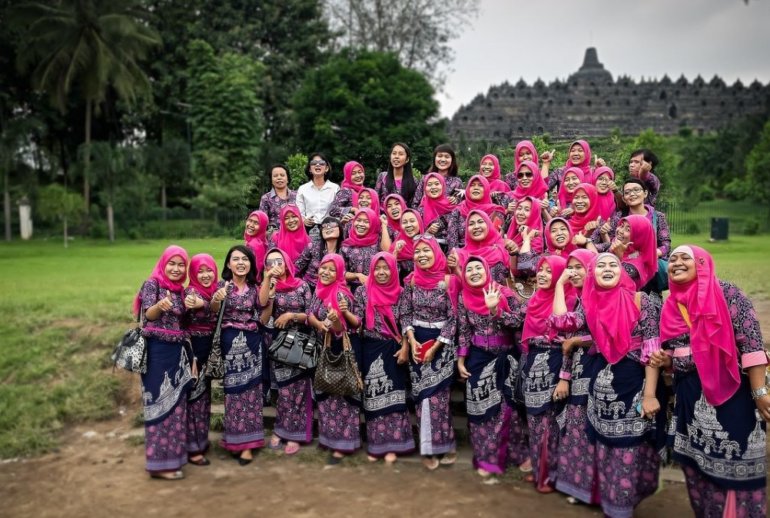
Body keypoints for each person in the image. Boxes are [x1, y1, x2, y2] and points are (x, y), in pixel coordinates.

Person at [651, 246, 768, 518]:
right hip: (691, 397)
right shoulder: (671, 305)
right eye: (673, 259)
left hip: (732, 394)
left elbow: (751, 343)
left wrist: (760, 391)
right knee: (697, 464)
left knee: (735, 463)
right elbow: (676, 352)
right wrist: (665, 359)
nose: (677, 263)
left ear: (702, 263)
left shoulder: (727, 293)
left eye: (686, 258)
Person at [581, 252, 666, 518]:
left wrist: (649, 394)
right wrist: (561, 284)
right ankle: (611, 505)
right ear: (591, 274)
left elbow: (652, 348)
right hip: (601, 389)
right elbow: (562, 322)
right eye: (600, 265)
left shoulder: (642, 300)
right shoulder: (589, 302)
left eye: (613, 265)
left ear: (622, 272)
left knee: (629, 450)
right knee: (604, 450)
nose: (607, 269)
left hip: (633, 387)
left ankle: (621, 509)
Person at [456, 256, 526, 483]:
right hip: (478, 358)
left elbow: (519, 321)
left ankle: (516, 455)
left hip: (505, 357)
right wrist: (461, 359)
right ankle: (487, 458)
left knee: (507, 410)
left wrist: (496, 310)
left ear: (487, 270)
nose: (474, 272)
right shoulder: (463, 297)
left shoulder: (504, 293)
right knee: (480, 410)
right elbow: (464, 330)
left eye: (479, 267)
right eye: (469, 269)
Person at [134, 245, 194, 480]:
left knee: (176, 407)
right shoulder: (152, 285)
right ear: (163, 264)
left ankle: (174, 459)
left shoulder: (181, 292)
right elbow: (148, 315)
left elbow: (185, 322)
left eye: (181, 265)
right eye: (172, 263)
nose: (176, 269)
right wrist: (159, 306)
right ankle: (159, 464)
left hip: (177, 353)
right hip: (156, 353)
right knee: (158, 405)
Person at [400, 236, 458, 470]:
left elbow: (454, 317)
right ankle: (427, 448)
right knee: (422, 397)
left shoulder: (448, 281)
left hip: (442, 344)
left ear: (436, 253)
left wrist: (435, 347)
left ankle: (446, 443)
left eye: (427, 251)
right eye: (417, 252)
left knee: (439, 398)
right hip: (418, 341)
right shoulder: (412, 280)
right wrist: (412, 340)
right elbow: (405, 313)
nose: (422, 255)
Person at [520, 255, 575, 493]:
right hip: (534, 363)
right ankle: (539, 470)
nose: (542, 274)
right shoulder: (535, 299)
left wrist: (564, 377)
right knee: (535, 422)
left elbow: (568, 342)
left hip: (554, 361)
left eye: (549, 271)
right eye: (540, 270)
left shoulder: (569, 299)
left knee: (550, 422)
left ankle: (550, 475)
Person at [549, 249, 600, 505]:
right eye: (570, 268)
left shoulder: (601, 297)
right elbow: (563, 327)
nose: (573, 272)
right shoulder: (580, 301)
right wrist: (564, 378)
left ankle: (597, 491)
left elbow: (610, 335)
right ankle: (580, 487)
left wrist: (578, 340)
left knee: (595, 430)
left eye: (579, 267)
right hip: (580, 372)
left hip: (601, 373)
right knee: (577, 430)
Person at [353, 253, 414, 463]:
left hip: (394, 349)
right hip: (370, 349)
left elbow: (406, 321)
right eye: (377, 268)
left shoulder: (401, 293)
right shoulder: (362, 292)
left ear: (393, 270)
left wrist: (405, 347)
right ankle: (377, 445)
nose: (381, 272)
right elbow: (357, 321)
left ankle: (394, 445)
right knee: (373, 398)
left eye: (385, 268)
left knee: (394, 397)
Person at [210, 245, 267, 465]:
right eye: (236, 259)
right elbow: (213, 311)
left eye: (245, 259)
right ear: (228, 264)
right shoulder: (222, 286)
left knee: (251, 394)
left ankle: (249, 445)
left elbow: (263, 307)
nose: (241, 263)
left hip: (252, 344)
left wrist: (269, 281)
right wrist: (217, 299)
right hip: (229, 343)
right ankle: (234, 440)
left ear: (251, 264)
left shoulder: (255, 288)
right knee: (232, 394)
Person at [308, 253, 362, 464]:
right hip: (325, 346)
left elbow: (343, 329)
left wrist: (334, 321)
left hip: (341, 348)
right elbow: (310, 313)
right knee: (326, 393)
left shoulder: (341, 294)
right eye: (323, 268)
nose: (326, 272)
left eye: (332, 270)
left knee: (342, 396)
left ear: (339, 273)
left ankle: (343, 444)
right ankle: (329, 439)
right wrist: (319, 324)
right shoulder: (319, 290)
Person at [259, 248, 313, 455]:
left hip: (300, 342)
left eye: (279, 261)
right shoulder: (267, 286)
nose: (275, 266)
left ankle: (295, 434)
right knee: (283, 391)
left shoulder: (301, 285)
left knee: (299, 390)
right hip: (278, 343)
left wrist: (291, 315)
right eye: (270, 263)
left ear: (287, 262)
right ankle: (280, 429)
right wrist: (270, 289)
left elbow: (311, 315)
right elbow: (263, 316)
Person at [183, 253, 219, 467]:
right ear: (193, 274)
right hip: (194, 352)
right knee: (194, 399)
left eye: (209, 270)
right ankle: (193, 449)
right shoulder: (190, 293)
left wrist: (204, 303)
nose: (205, 275)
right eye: (200, 271)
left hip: (210, 351)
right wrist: (192, 358)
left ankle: (201, 442)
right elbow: (183, 322)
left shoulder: (217, 290)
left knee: (204, 400)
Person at [598, 179, 671, 266]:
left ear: (645, 193)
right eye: (627, 192)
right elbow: (610, 244)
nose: (632, 194)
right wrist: (604, 234)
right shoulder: (619, 216)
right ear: (624, 198)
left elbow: (666, 246)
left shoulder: (657, 217)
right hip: (623, 263)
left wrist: (645, 256)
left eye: (636, 190)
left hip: (650, 264)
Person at [451, 209, 516, 285]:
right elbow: (459, 285)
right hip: (470, 293)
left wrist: (514, 254)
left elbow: (515, 273)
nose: (476, 227)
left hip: (500, 292)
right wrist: (455, 269)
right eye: (471, 224)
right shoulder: (459, 255)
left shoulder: (503, 247)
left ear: (488, 225)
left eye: (480, 222)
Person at [448, 175, 506, 251]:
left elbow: (496, 239)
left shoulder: (496, 211)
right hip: (462, 253)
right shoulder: (458, 210)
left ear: (486, 189)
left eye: (480, 185)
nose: (476, 188)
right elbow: (452, 239)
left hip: (489, 253)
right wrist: (457, 255)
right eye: (472, 185)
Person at [340, 207, 390, 289]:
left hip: (378, 288)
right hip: (355, 289)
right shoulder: (346, 246)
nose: (361, 224)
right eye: (358, 220)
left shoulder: (378, 240)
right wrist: (357, 275)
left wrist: (384, 225)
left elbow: (387, 253)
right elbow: (340, 272)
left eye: (366, 222)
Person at [607, 214, 658, 291]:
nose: (620, 231)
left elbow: (610, 279)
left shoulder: (638, 263)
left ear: (638, 236)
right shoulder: (618, 247)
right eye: (621, 226)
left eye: (628, 230)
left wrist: (618, 257)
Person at [296, 153, 339, 241]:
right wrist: (304, 220)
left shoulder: (335, 188)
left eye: (321, 163)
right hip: (309, 230)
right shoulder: (302, 189)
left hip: (330, 229)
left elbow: (338, 211)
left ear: (326, 168)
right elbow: (299, 212)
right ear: (310, 169)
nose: (318, 165)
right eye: (314, 163)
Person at [417, 172, 455, 250]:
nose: (433, 187)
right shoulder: (420, 210)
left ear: (443, 186)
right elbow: (416, 235)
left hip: (451, 250)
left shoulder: (452, 205)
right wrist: (428, 232)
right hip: (428, 249)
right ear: (425, 188)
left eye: (437, 184)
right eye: (429, 184)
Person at [258, 164, 297, 236]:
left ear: (287, 179)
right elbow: (262, 222)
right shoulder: (266, 198)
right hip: (274, 238)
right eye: (275, 176)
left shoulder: (297, 196)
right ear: (271, 180)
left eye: (282, 175)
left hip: (295, 236)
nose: (279, 178)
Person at [375, 143, 417, 207]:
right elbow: (376, 199)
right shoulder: (382, 177)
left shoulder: (413, 181)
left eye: (401, 154)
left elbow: (414, 204)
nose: (396, 157)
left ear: (407, 159)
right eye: (394, 153)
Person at [391, 209, 425, 280]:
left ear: (419, 222)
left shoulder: (429, 244)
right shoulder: (397, 246)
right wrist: (396, 253)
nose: (408, 225)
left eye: (412, 221)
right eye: (404, 222)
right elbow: (390, 274)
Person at [243, 210, 269, 279]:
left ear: (262, 227)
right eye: (250, 220)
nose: (251, 225)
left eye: (256, 223)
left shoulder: (254, 245)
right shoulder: (263, 241)